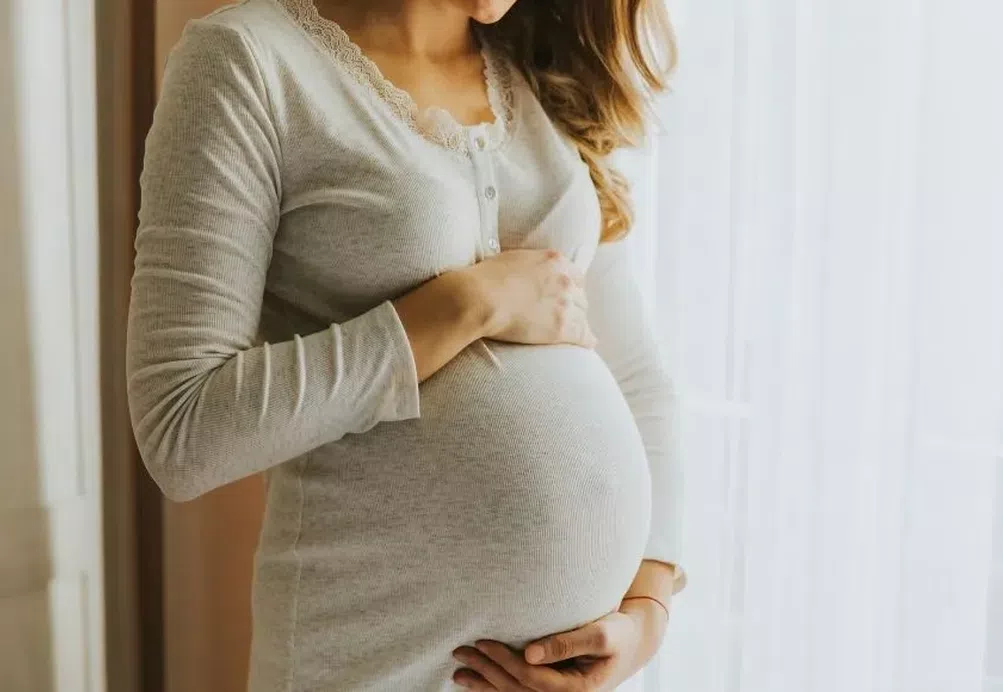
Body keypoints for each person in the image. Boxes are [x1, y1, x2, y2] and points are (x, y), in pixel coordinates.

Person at [126, 0, 686, 689]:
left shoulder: (540, 72)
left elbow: (636, 379)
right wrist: (460, 308)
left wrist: (646, 610)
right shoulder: (249, 61)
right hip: (368, 658)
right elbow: (182, 433)